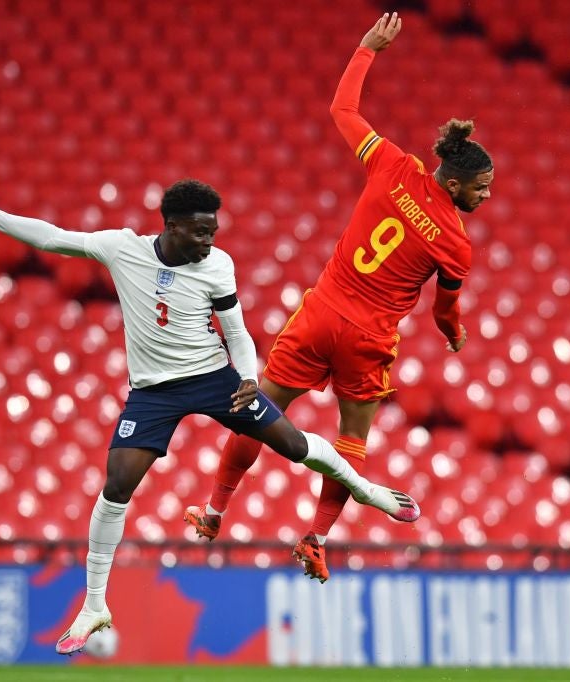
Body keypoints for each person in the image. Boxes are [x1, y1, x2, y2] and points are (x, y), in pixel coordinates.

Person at [0, 179, 417, 655]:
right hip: (153, 392)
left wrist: (248, 375)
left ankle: (365, 489)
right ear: (170, 226)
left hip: (214, 378)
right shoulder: (121, 248)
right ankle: (95, 605)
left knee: (291, 445)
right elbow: (48, 236)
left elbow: (237, 331)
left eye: (213, 232)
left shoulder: (218, 265)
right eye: (199, 232)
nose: (208, 242)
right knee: (117, 484)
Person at [184, 13, 495, 583]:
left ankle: (213, 509)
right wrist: (453, 334)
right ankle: (317, 536)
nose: (486, 194)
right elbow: (443, 309)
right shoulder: (455, 242)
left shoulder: (393, 165)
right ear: (453, 184)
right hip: (369, 338)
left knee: (256, 411)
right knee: (353, 437)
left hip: (321, 311)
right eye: (481, 187)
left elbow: (343, 111)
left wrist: (365, 49)